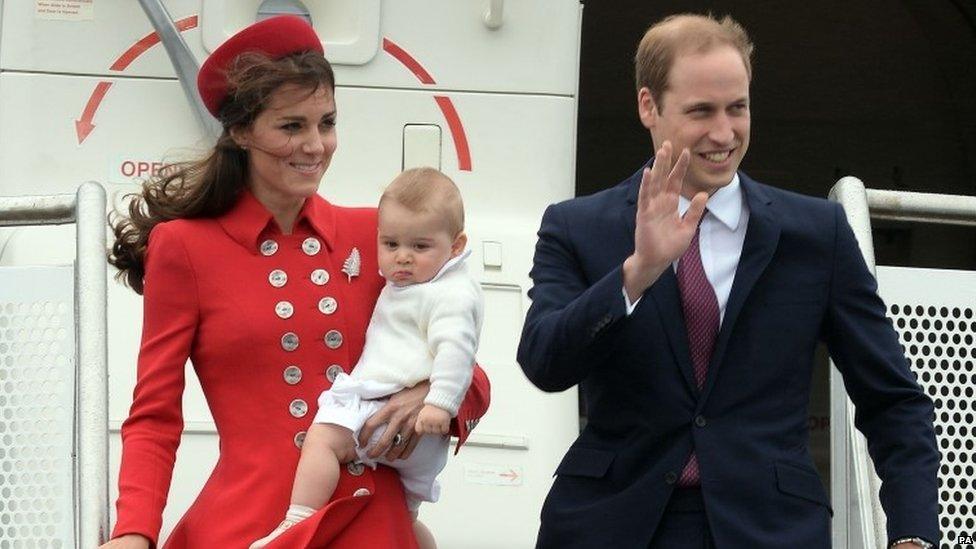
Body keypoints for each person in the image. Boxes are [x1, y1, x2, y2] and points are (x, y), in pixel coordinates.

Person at [517, 13, 938, 549]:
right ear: (649, 106)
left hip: (769, 528)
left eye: (737, 108)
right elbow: (544, 363)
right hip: (610, 524)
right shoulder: (577, 227)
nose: (724, 133)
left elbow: (893, 399)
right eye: (701, 112)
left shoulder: (816, 233)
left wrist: (914, 534)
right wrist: (636, 273)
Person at [101, 16, 490, 549]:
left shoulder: (374, 235)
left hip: (369, 518)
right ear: (240, 132)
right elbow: (154, 415)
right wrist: (134, 532)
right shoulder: (185, 247)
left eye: (326, 123)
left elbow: (467, 365)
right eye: (291, 126)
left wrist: (425, 393)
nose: (315, 145)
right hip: (255, 520)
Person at [251, 167, 484, 548]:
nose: (403, 258)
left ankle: (296, 522)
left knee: (324, 438)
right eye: (391, 245)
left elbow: (460, 352)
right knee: (404, 518)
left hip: (386, 413)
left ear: (456, 246)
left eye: (420, 248)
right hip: (421, 444)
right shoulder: (426, 278)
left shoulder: (450, 293)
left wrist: (438, 401)